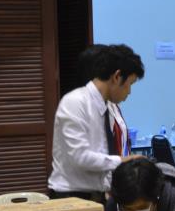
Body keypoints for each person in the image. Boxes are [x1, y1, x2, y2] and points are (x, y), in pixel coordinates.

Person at [47, 44, 146, 202]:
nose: (129, 91)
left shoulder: (105, 106)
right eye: (130, 84)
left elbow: (102, 153)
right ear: (117, 77)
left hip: (96, 194)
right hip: (70, 196)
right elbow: (80, 157)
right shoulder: (75, 102)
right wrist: (122, 161)